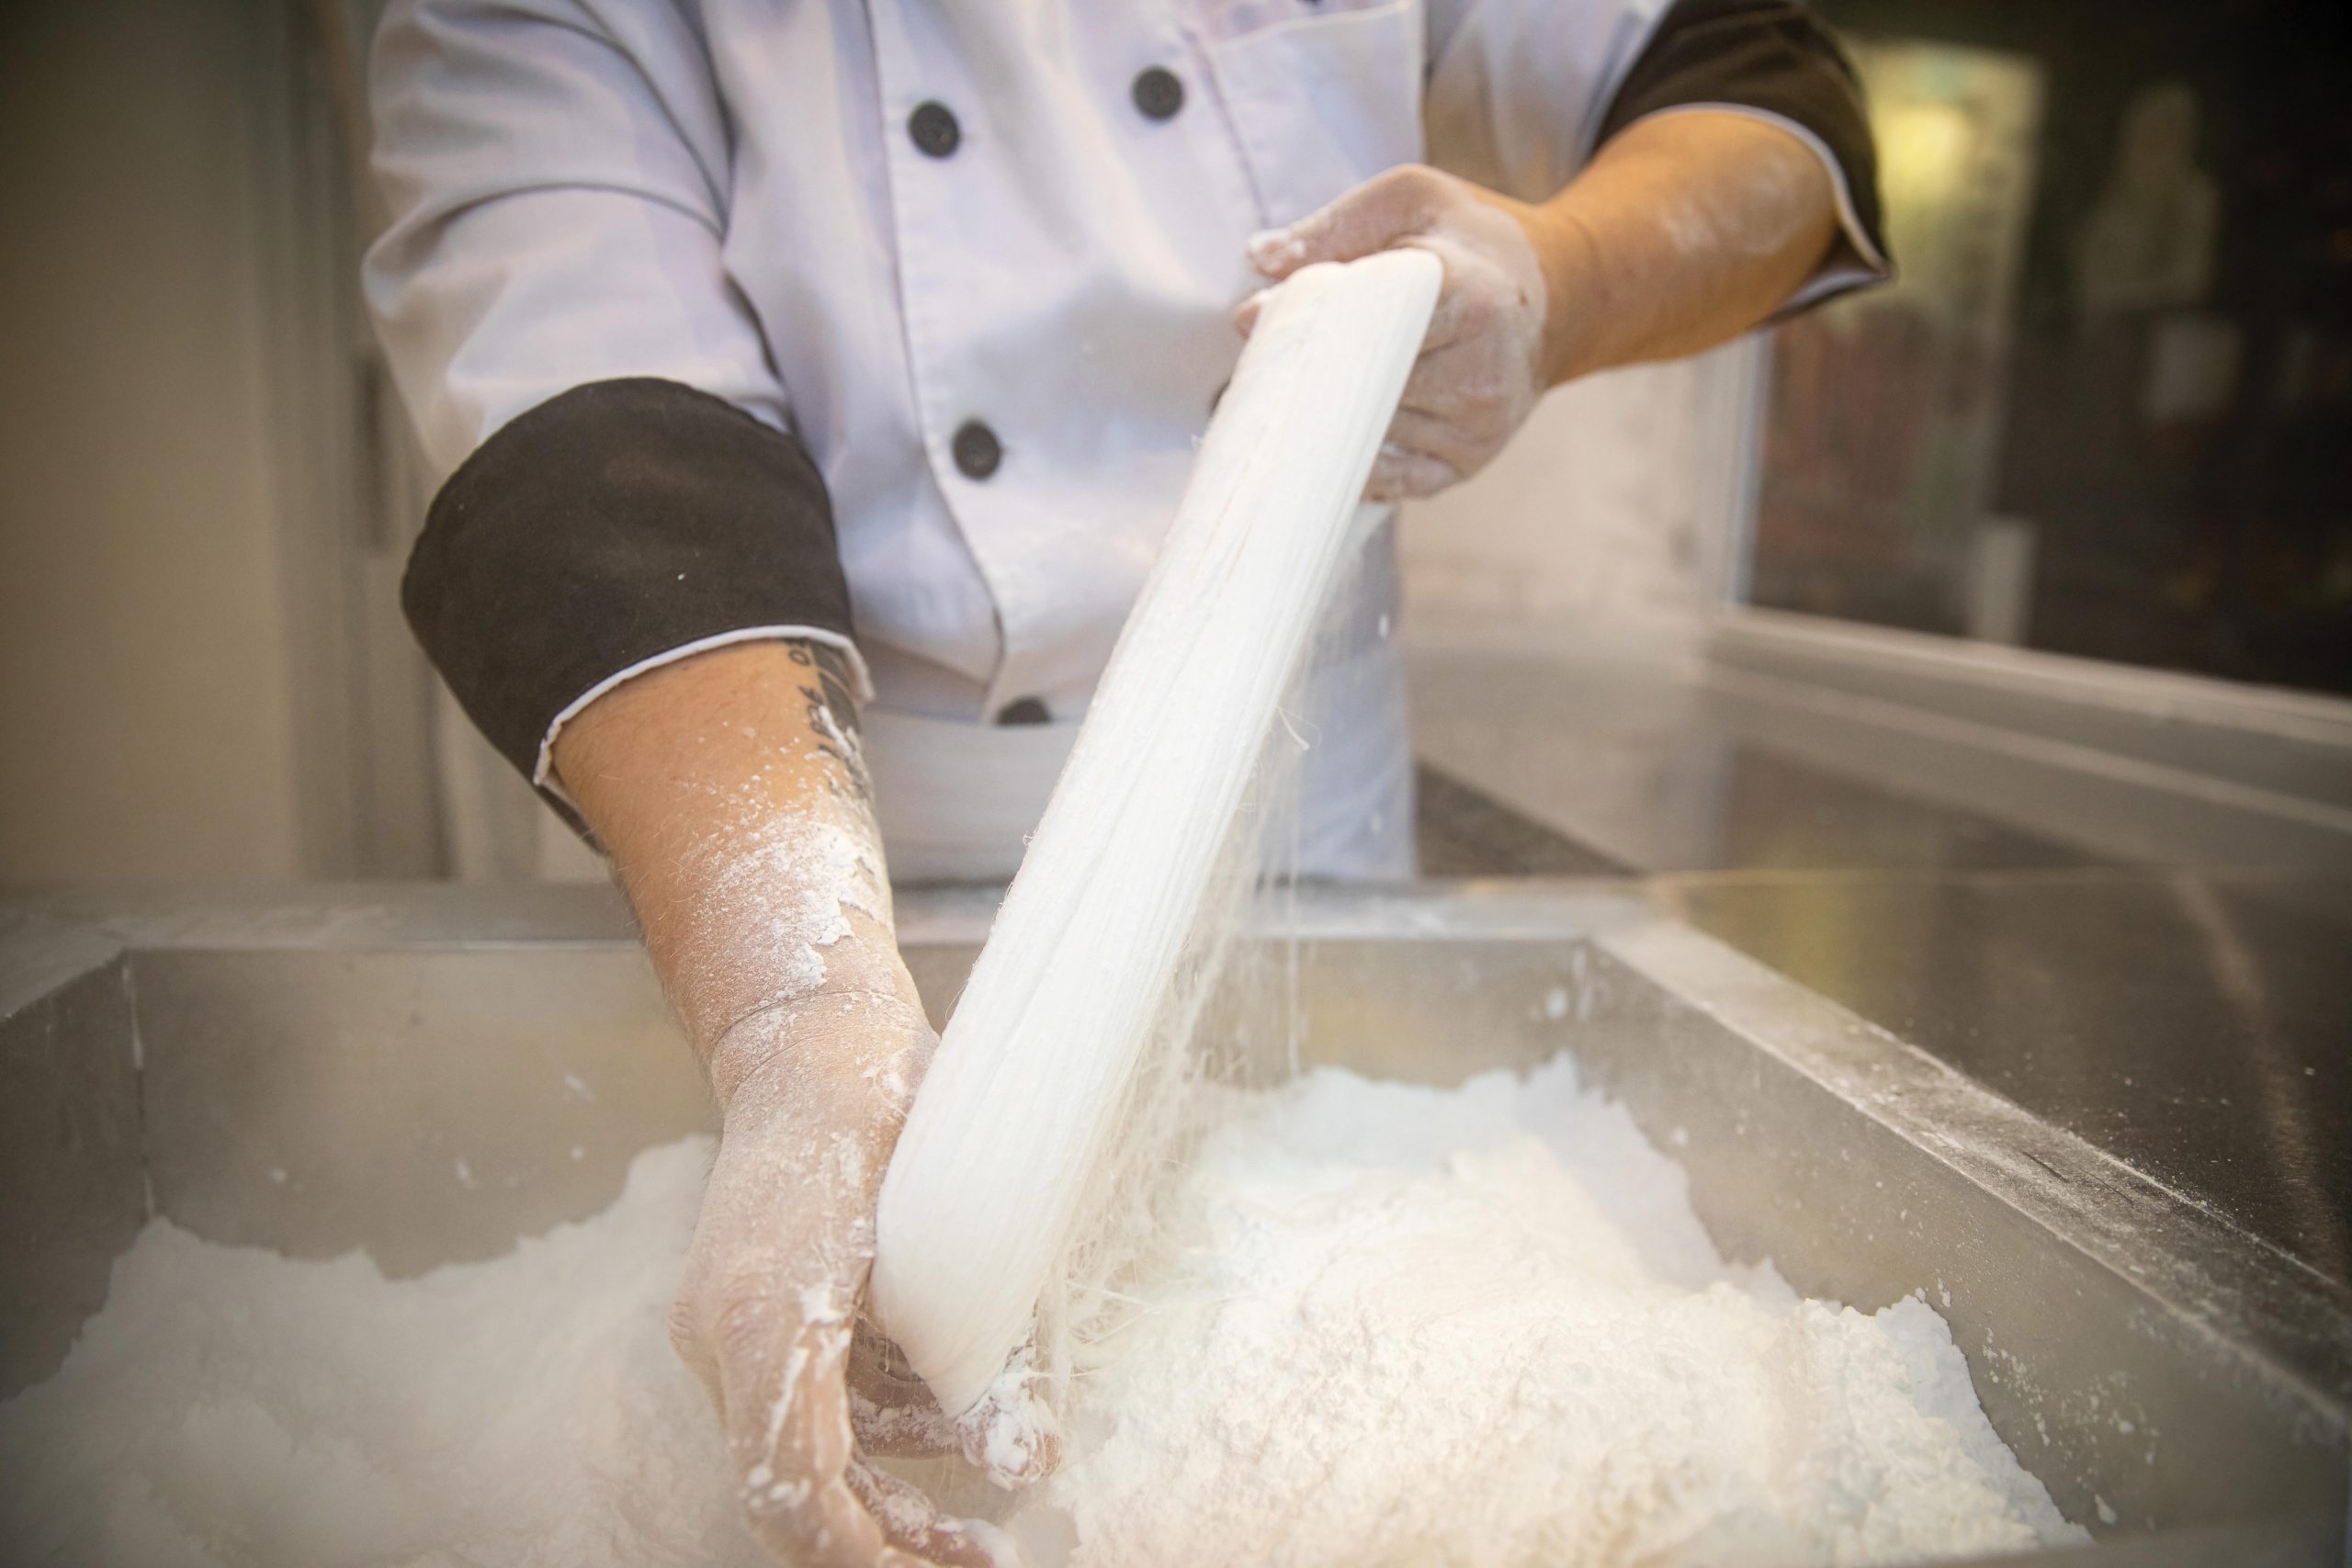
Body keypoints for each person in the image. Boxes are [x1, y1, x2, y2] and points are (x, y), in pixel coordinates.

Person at [367, 2, 1885, 1562]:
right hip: (790, 794)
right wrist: (793, 1012)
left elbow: (1767, 104)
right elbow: (591, 419)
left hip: (1277, 782)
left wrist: (1561, 281)